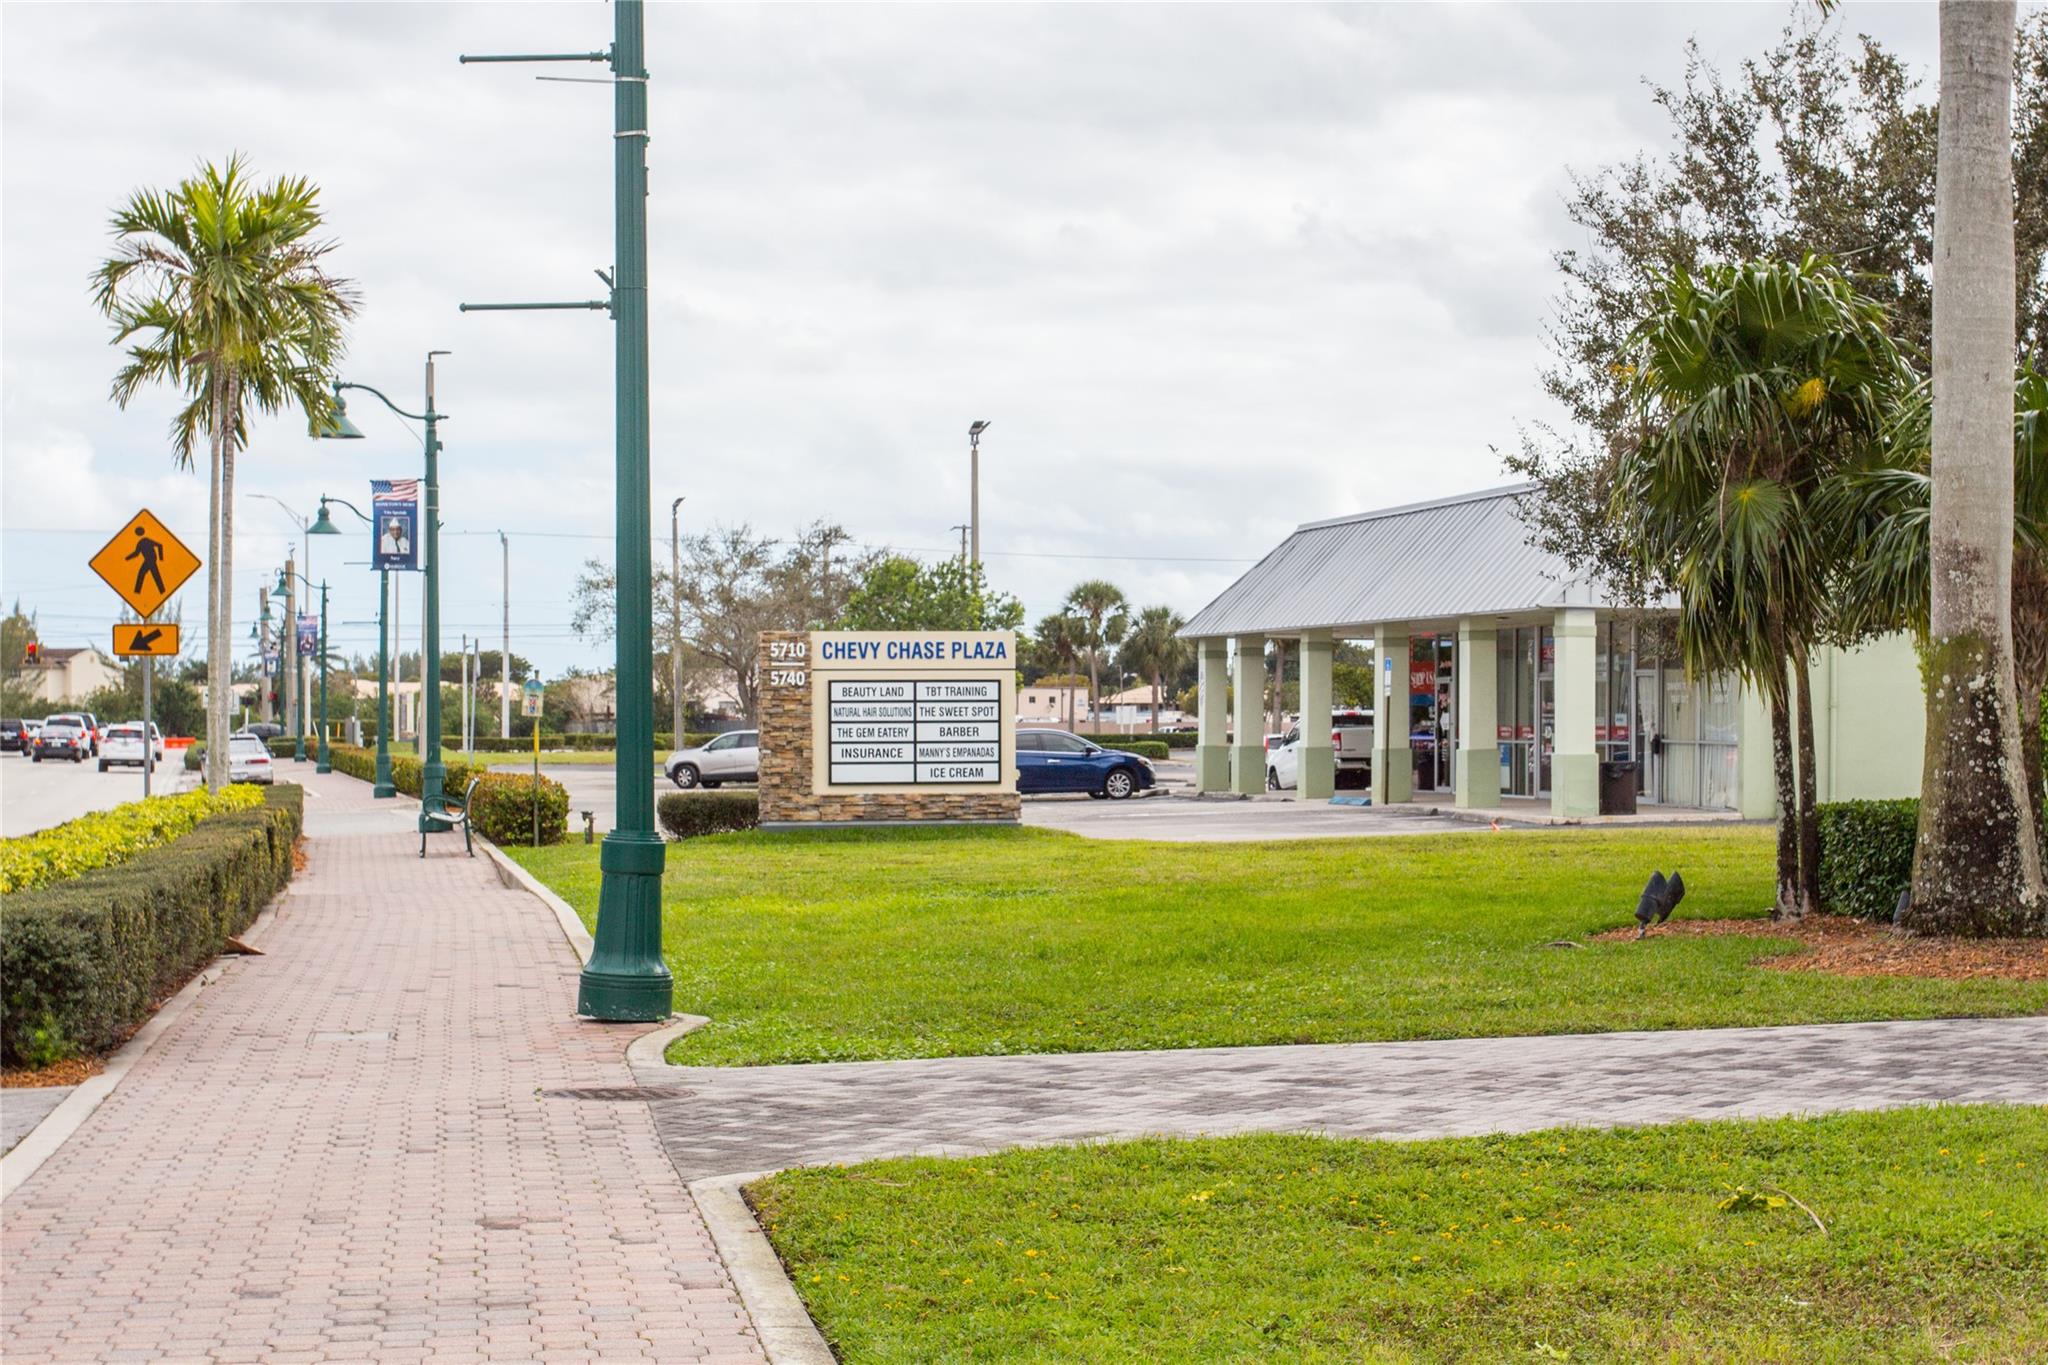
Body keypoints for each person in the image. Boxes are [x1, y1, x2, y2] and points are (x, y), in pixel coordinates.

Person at [125, 525, 166, 595]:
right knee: (153, 575)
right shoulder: (140, 543)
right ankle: (161, 591)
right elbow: (136, 553)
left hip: (151, 560)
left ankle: (137, 592)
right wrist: (127, 558)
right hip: (149, 560)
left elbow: (160, 545)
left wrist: (161, 558)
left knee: (144, 574)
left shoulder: (145, 540)